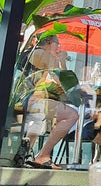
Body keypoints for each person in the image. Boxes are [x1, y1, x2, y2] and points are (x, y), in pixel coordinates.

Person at [22, 36, 79, 168]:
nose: (59, 48)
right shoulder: (46, 56)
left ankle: (25, 153)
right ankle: (43, 155)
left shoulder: (27, 52)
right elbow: (67, 84)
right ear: (49, 43)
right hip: (29, 100)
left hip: (17, 99)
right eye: (57, 45)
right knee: (71, 115)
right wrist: (62, 61)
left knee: (39, 113)